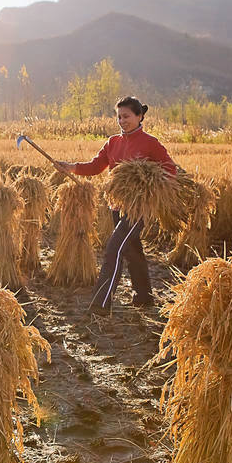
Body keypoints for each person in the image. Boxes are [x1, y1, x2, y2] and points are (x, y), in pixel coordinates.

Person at [54, 96, 179, 315]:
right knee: (132, 251)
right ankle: (144, 298)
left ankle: (101, 304)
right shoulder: (113, 142)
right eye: (119, 117)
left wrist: (148, 185)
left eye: (127, 116)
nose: (122, 121)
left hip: (138, 208)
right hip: (116, 205)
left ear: (139, 116)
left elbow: (170, 169)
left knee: (114, 249)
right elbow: (96, 166)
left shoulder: (150, 143)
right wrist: (71, 167)